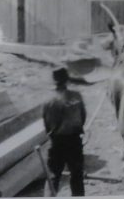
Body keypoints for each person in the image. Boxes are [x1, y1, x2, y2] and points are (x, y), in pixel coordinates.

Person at [42, 66, 87, 196]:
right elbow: (83, 117)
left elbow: (46, 124)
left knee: (53, 177)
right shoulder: (77, 96)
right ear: (67, 80)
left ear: (53, 81)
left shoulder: (47, 99)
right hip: (74, 141)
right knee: (77, 176)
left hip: (56, 142)